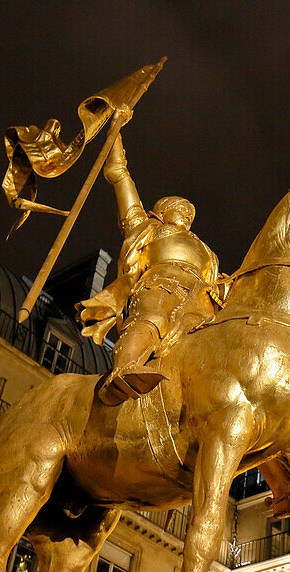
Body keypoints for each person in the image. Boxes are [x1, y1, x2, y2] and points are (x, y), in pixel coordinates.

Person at [77, 136, 224, 406]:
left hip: (200, 299)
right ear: (162, 211)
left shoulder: (206, 250)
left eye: (190, 214)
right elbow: (118, 174)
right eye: (181, 209)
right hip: (159, 285)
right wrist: (116, 132)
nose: (187, 216)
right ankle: (123, 372)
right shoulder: (147, 226)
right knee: (152, 319)